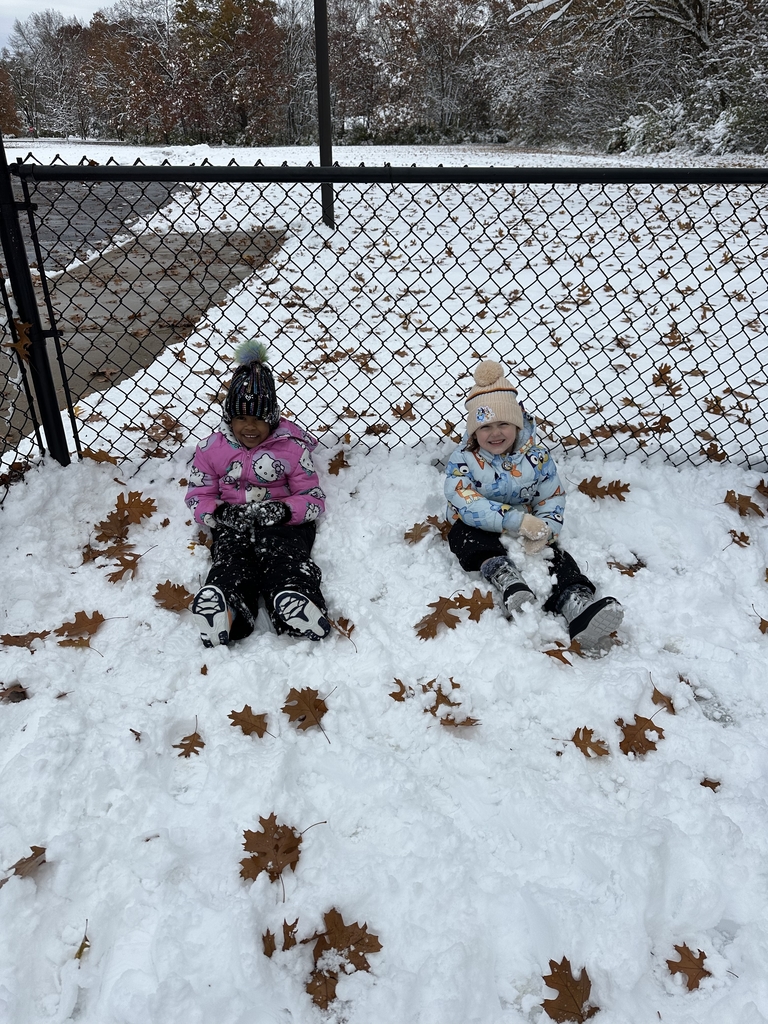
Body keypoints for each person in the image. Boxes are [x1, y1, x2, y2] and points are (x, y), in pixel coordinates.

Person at [444, 360, 623, 650]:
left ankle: (577, 603)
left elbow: (551, 496)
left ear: (518, 424)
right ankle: (506, 577)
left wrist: (545, 530)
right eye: (485, 426)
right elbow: (463, 499)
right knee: (464, 536)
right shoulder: (463, 459)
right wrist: (514, 521)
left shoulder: (536, 457)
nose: (495, 433)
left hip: (528, 522)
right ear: (474, 432)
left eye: (504, 423)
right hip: (478, 523)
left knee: (557, 557)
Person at [184, 341, 330, 647]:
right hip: (234, 523)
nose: (250, 427)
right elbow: (199, 495)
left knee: (286, 558)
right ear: (229, 419)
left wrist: (283, 511)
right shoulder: (212, 450)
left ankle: (296, 602)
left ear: (273, 418)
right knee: (230, 562)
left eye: (258, 419)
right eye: (241, 419)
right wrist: (221, 514)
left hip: (283, 523)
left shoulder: (291, 448)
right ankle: (227, 610)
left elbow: (313, 498)